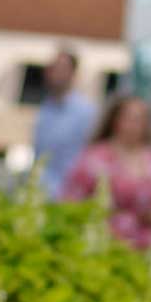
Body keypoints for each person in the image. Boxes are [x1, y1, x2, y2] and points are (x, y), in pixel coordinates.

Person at [59, 94, 151, 250]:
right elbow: (70, 202)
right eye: (130, 118)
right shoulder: (95, 158)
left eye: (141, 119)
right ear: (115, 120)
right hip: (104, 247)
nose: (135, 125)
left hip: (150, 252)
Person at [32, 46, 98, 195]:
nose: (54, 73)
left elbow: (90, 156)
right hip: (42, 192)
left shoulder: (86, 112)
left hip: (70, 196)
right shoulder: (45, 109)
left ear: (73, 73)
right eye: (53, 67)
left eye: (61, 68)